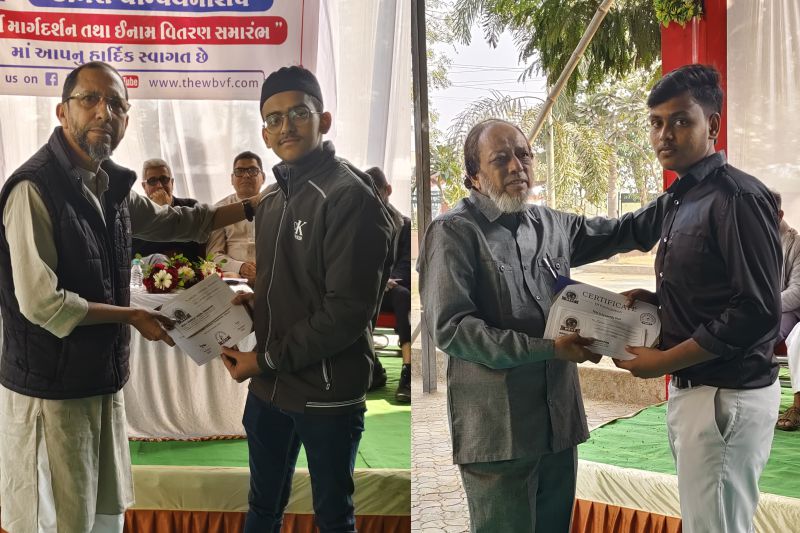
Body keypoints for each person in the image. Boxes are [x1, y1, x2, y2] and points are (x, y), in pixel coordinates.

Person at [0, 61, 260, 533]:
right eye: (90, 99)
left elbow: (179, 222)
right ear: (62, 111)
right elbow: (41, 303)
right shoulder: (32, 188)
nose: (105, 112)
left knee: (102, 512)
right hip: (50, 388)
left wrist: (250, 207)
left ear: (127, 117)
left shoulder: (113, 186)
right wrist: (131, 316)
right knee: (56, 518)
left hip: (101, 379)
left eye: (117, 104)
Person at [418, 118, 669, 532]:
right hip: (501, 434)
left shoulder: (551, 225)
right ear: (474, 176)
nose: (517, 166)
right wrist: (549, 349)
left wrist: (685, 189)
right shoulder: (454, 232)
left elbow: (628, 231)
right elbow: (453, 329)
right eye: (501, 158)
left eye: (524, 155)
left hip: (558, 425)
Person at [219, 66, 394, 532]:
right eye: (274, 119)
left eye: (299, 113)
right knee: (262, 509)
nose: (286, 126)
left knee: (333, 517)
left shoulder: (349, 197)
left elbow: (345, 313)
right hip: (268, 390)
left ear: (324, 120)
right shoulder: (271, 200)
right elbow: (288, 284)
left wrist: (263, 360)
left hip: (326, 396)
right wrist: (255, 303)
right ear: (265, 133)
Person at [615, 64, 781, 532]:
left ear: (712, 125)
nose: (664, 134)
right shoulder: (685, 196)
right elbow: (714, 291)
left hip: (725, 397)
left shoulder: (736, 197)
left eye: (680, 120)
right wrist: (656, 302)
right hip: (698, 395)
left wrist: (663, 362)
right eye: (655, 123)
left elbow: (756, 311)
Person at [365, 166, 411, 402]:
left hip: (393, 289)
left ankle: (408, 371)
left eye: (376, 193)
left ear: (388, 190)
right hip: (367, 287)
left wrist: (385, 280)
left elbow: (406, 263)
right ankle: (371, 365)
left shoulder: (405, 225)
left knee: (403, 295)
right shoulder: (357, 226)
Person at [131, 158, 205, 261]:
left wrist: (167, 210)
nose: (159, 186)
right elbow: (138, 253)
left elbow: (194, 246)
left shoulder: (191, 206)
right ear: (144, 186)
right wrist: (159, 212)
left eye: (164, 179)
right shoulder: (137, 215)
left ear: (172, 182)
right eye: (152, 181)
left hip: (190, 268)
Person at [206, 151, 264, 283]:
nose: (246, 175)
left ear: (263, 177)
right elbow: (213, 256)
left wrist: (264, 271)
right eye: (239, 171)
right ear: (232, 179)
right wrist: (240, 267)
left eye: (253, 170)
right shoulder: (220, 210)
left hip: (270, 274)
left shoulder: (277, 206)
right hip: (235, 276)